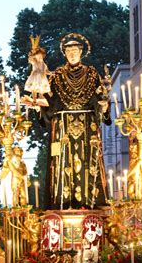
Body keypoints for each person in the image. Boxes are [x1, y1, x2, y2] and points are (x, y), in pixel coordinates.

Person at [40, 33, 111, 210]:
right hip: (63, 126)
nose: (72, 54)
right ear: (64, 53)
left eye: (75, 50)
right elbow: (50, 103)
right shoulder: (56, 76)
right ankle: (63, 202)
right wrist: (39, 104)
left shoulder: (92, 74)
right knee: (63, 164)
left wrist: (104, 105)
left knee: (88, 164)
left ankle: (91, 203)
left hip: (87, 125)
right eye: (69, 50)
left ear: (81, 52)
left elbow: (99, 100)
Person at [23, 35, 50, 107]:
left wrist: (51, 73)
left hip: (42, 77)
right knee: (34, 88)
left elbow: (47, 71)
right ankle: (34, 99)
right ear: (35, 56)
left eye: (41, 56)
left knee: (42, 89)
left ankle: (41, 98)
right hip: (35, 76)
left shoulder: (43, 64)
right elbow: (31, 59)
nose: (39, 57)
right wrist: (33, 51)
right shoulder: (34, 61)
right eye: (38, 56)